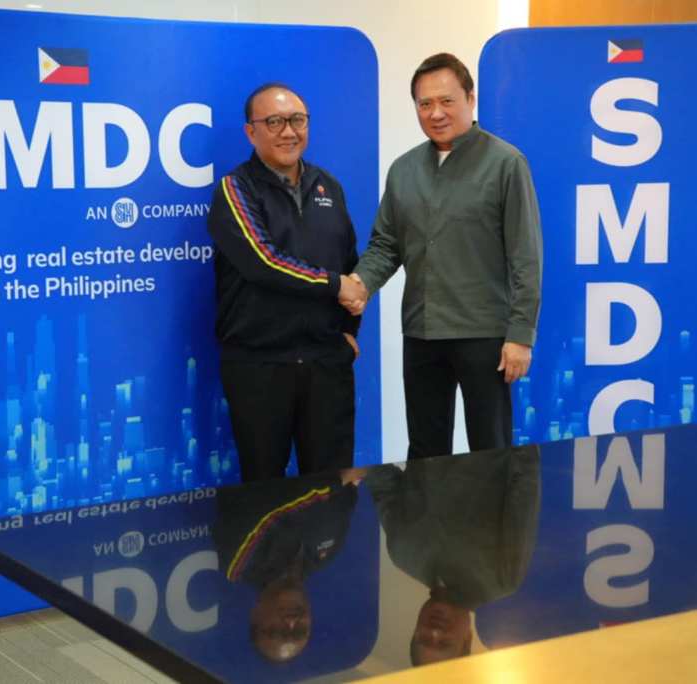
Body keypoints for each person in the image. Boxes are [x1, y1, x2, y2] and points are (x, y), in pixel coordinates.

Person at [346, 53, 543, 459]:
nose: (435, 113)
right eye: (425, 104)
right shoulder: (403, 170)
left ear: (471, 99)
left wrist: (520, 336)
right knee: (425, 450)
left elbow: (526, 257)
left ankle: (492, 508)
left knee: (490, 450)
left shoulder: (506, 164)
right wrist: (361, 283)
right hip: (421, 332)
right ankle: (429, 507)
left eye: (447, 101)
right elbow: (386, 244)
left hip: (485, 335)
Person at [207, 82, 366, 482]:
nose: (289, 132)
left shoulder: (329, 186)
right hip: (261, 365)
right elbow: (263, 262)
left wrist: (349, 331)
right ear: (251, 132)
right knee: (264, 491)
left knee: (333, 489)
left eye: (297, 120)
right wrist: (334, 285)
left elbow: (350, 263)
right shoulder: (235, 189)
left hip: (326, 364)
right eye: (274, 122)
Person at [364, 445, 541, 666]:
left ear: (415, 632)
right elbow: (525, 476)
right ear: (467, 638)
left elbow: (379, 479)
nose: (435, 632)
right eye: (444, 643)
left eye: (424, 639)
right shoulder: (502, 579)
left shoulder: (402, 554)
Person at [213, 470, 362, 662]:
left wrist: (341, 477)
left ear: (255, 614)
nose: (291, 622)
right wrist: (353, 474)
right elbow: (349, 492)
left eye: (275, 630)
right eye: (300, 631)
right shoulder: (327, 555)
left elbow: (274, 505)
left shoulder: (238, 565)